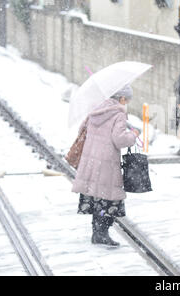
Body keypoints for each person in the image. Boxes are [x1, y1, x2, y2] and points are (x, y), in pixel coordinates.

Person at [71, 84, 140, 247]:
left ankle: (97, 232)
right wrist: (133, 135)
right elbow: (120, 140)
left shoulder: (96, 110)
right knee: (108, 199)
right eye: (127, 99)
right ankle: (101, 234)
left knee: (97, 198)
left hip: (91, 161)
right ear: (121, 98)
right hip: (106, 163)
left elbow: (82, 129)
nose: (126, 103)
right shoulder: (119, 114)